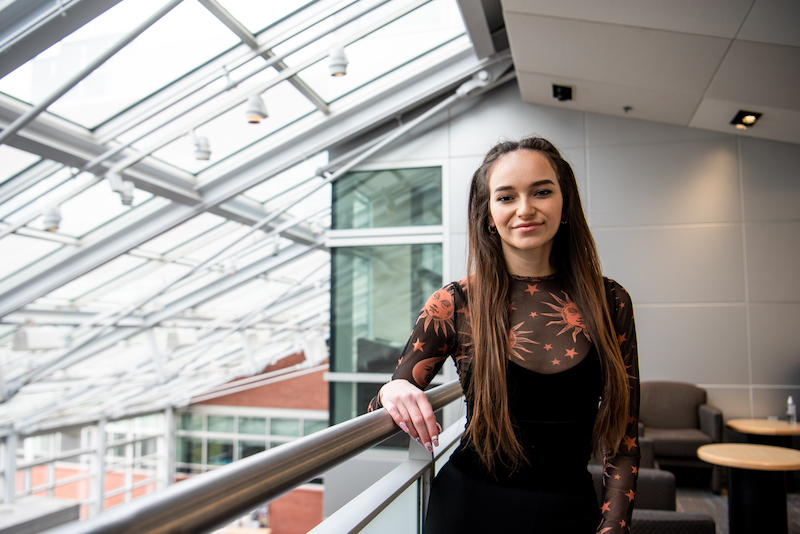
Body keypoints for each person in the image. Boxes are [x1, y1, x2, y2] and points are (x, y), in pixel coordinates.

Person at [368, 137, 640, 533]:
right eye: (506, 197)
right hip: (466, 511)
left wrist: (614, 528)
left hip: (571, 513)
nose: (525, 209)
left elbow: (625, 438)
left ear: (565, 204)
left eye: (542, 192)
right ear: (488, 215)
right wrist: (393, 390)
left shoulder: (611, 301)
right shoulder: (455, 303)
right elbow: (384, 405)